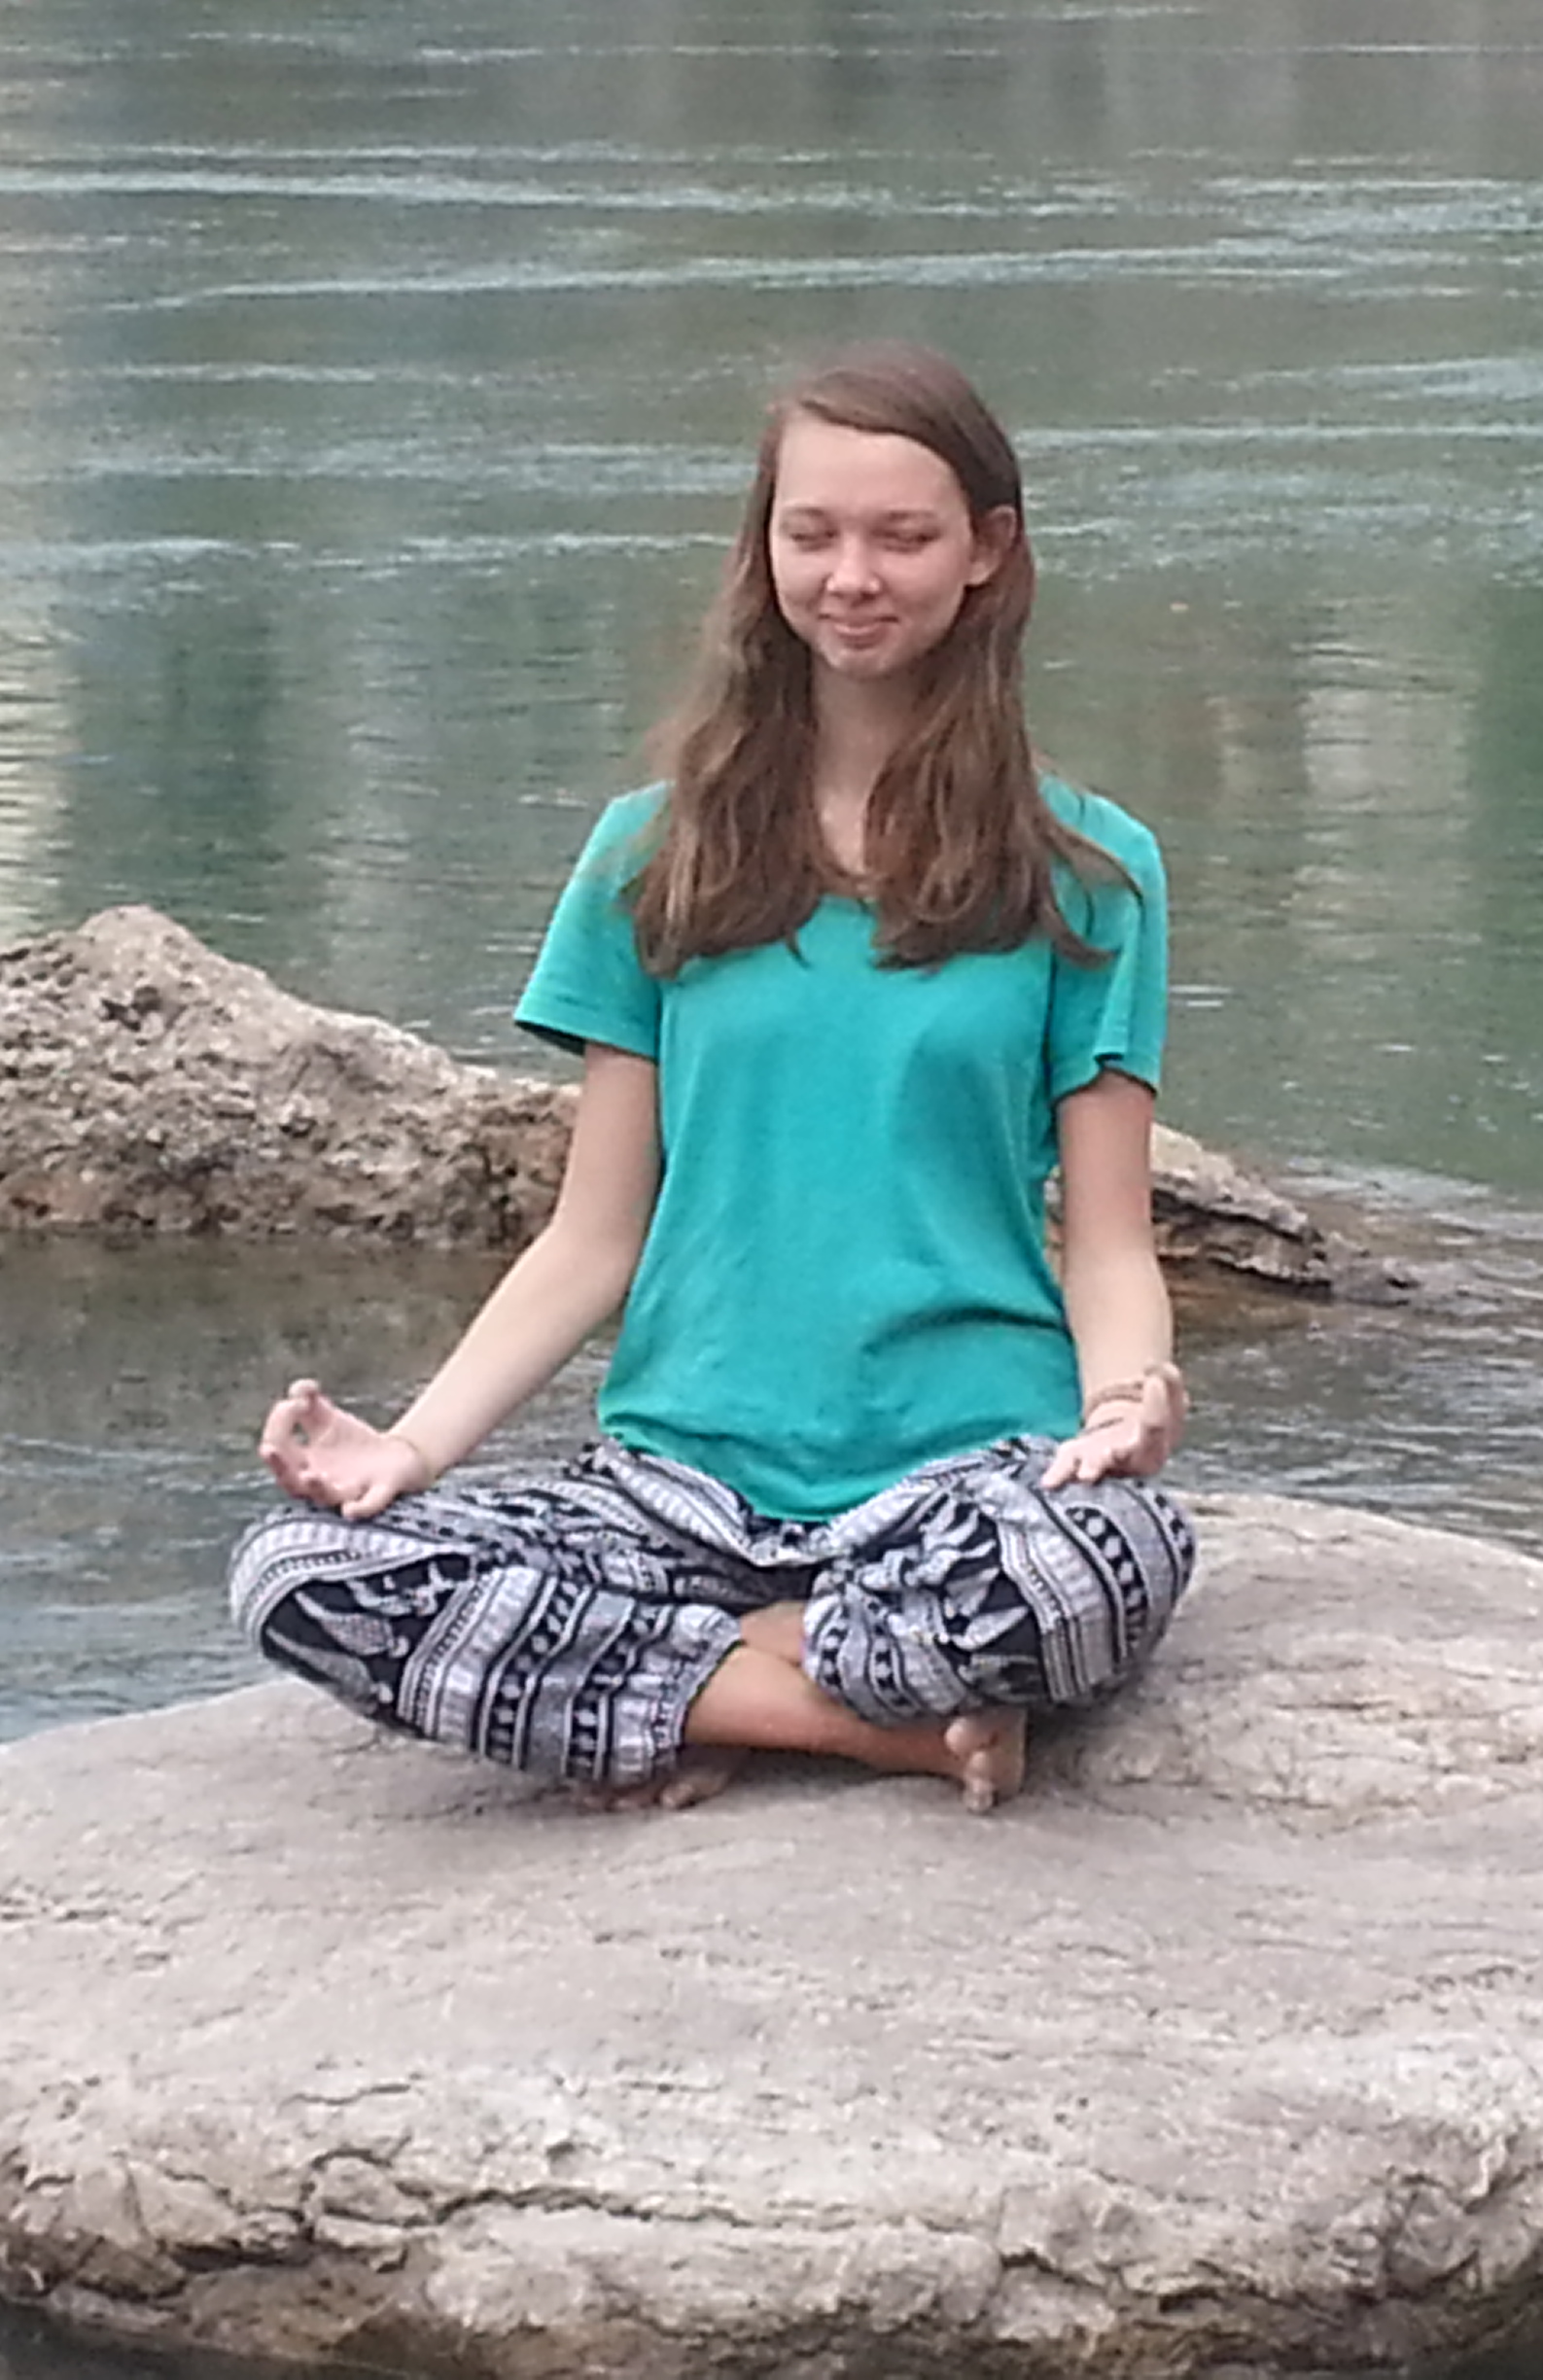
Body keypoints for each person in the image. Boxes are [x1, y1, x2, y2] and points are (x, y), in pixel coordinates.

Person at [225, 340, 1193, 1813]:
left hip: (959, 1484)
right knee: (303, 1572)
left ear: (987, 551)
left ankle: (676, 1691)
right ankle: (858, 1720)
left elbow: (1111, 1240)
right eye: (814, 534)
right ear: (765, 549)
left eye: (902, 536)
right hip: (673, 1492)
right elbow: (591, 1237)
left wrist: (1123, 1407)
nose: (852, 577)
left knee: (1095, 1568)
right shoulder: (653, 853)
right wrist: (408, 1449)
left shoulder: (1090, 872)